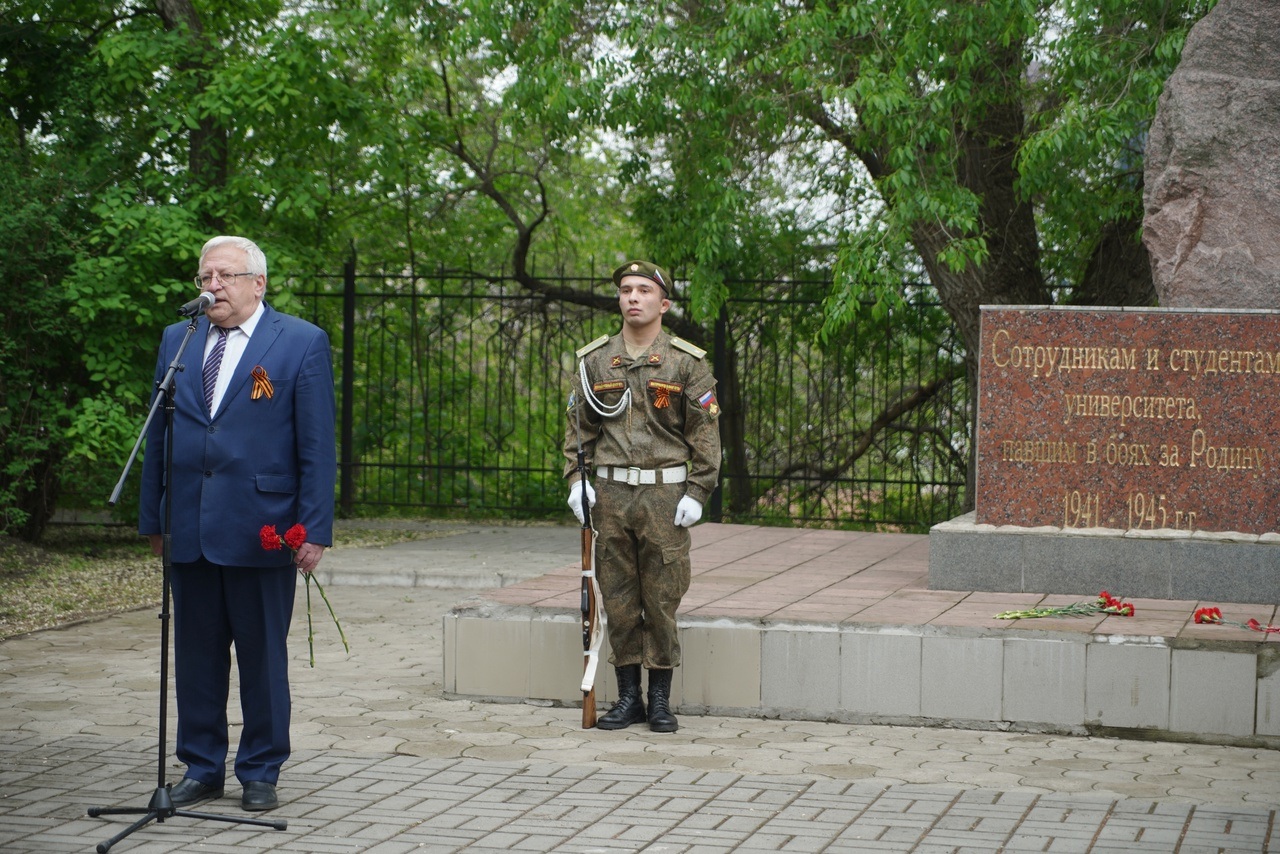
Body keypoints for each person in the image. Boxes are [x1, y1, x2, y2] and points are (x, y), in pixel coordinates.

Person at [138, 235, 336, 811]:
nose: (213, 286)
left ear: (258, 283)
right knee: (196, 656)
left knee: (261, 656)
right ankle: (201, 767)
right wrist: (154, 517)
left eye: (224, 276)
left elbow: (316, 445)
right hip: (189, 524)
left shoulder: (299, 341)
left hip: (263, 526)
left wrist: (314, 527)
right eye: (205, 277)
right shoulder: (179, 339)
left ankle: (260, 769)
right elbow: (158, 436)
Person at [564, 259, 721, 733]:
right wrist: (577, 481)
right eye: (626, 290)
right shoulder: (595, 361)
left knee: (662, 598)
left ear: (663, 303)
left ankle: (659, 700)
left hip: (664, 496)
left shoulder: (686, 362)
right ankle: (628, 697)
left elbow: (705, 434)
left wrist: (698, 490)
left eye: (644, 290)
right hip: (610, 494)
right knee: (617, 597)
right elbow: (578, 432)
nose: (633, 297)